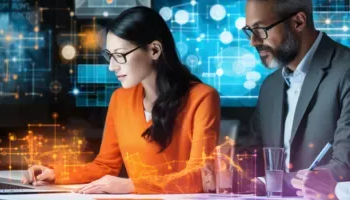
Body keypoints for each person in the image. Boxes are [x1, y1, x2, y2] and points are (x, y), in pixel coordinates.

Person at [21, 6, 220, 194]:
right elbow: (105, 166)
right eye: (110, 56)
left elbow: (200, 177)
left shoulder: (202, 97)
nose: (112, 66)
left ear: (154, 50)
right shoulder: (120, 99)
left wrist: (131, 185)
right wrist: (56, 173)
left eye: (120, 55)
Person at [243, 0, 350, 195]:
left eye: (260, 29)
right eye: (250, 31)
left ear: (298, 22)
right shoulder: (270, 86)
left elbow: (344, 167)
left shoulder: (346, 71)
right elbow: (254, 157)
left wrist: (280, 180)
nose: (253, 41)